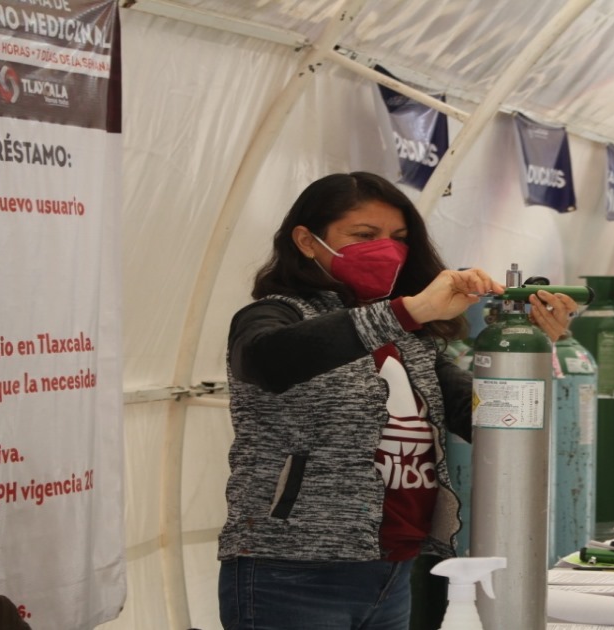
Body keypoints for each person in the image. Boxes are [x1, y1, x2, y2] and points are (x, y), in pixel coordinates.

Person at [217, 171, 577, 630]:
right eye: (364, 235)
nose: (386, 249)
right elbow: (267, 361)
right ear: (307, 241)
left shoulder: (410, 342)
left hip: (392, 568)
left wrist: (530, 348)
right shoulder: (274, 316)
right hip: (292, 571)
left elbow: (487, 420)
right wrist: (409, 311)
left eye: (399, 238)